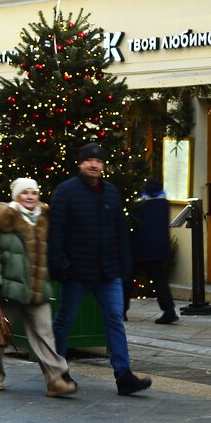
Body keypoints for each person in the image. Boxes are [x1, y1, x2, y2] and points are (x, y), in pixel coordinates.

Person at [48, 143, 152, 396]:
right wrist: (59, 265)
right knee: (65, 320)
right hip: (77, 272)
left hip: (108, 272)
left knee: (115, 319)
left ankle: (124, 375)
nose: (94, 164)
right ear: (80, 163)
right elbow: (56, 233)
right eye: (89, 160)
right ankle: (57, 371)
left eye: (98, 161)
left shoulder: (110, 193)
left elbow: (120, 232)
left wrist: (126, 268)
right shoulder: (66, 192)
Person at [0, 178, 77, 398]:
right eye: (25, 193)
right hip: (7, 290)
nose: (30, 196)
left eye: (34, 192)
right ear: (16, 196)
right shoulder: (2, 220)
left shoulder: (45, 219)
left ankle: (55, 380)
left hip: (37, 289)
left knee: (45, 336)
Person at [131, 177, 178, 324]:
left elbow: (134, 222)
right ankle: (169, 310)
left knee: (127, 277)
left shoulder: (139, 200)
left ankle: (121, 311)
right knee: (159, 280)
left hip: (139, 246)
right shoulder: (163, 200)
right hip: (157, 247)